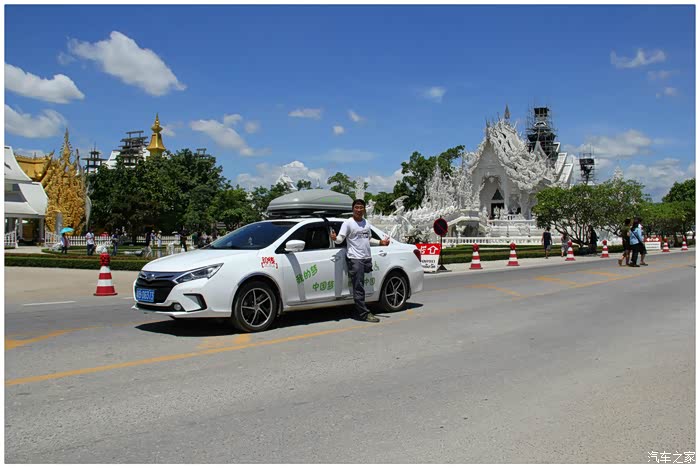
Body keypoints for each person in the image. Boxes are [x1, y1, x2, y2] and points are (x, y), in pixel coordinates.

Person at [331, 198, 390, 323]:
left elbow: (368, 238)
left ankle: (358, 308)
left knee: (363, 286)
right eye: (356, 207)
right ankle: (364, 314)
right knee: (359, 287)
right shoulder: (348, 223)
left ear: (364, 210)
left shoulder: (366, 223)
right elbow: (340, 239)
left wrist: (380, 242)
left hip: (366, 257)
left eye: (361, 207)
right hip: (355, 258)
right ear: (352, 209)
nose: (359, 210)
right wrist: (335, 238)